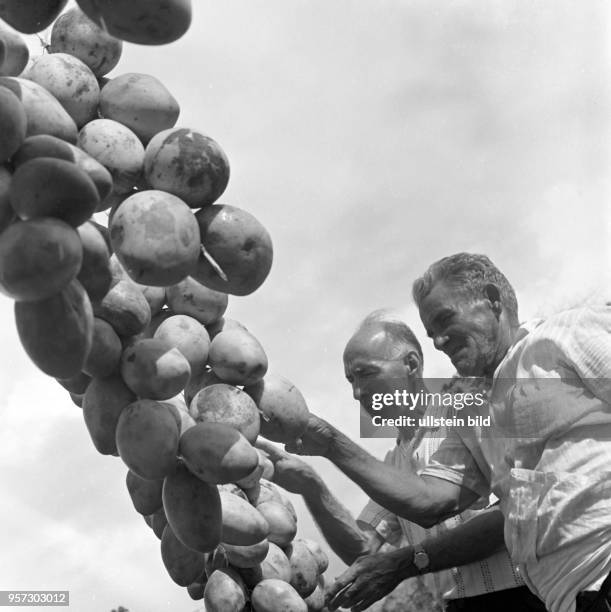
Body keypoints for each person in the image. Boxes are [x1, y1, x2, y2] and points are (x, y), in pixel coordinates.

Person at [293, 253, 611, 612]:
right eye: (431, 333)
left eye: (446, 319)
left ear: (492, 300)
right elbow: (421, 510)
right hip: (569, 596)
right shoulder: (487, 407)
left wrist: (409, 561)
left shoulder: (558, 338)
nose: (439, 341)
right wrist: (317, 468)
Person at [261, 310, 544, 611]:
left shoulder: (466, 411)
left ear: (411, 364)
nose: (357, 392)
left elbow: (518, 512)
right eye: (350, 380)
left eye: (366, 373)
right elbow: (362, 547)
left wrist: (334, 444)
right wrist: (310, 485)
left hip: (524, 595)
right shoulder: (395, 462)